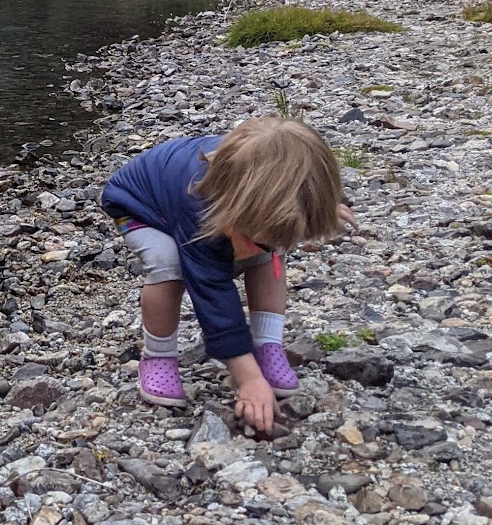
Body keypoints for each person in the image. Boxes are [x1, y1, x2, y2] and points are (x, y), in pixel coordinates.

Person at [100, 116, 343, 432]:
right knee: (169, 266)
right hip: (141, 207)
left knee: (268, 255)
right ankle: (158, 356)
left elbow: (303, 183)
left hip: (209, 207)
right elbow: (213, 295)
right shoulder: (198, 210)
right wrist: (249, 379)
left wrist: (324, 205)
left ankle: (267, 345)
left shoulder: (263, 184)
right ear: (231, 204)